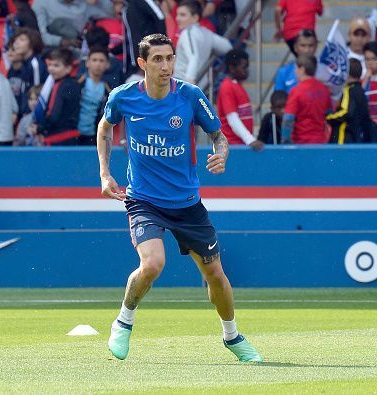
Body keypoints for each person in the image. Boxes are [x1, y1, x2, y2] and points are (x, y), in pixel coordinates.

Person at [97, 33, 262, 363]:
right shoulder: (124, 97)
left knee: (215, 274)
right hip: (144, 200)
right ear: (142, 63)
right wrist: (104, 173)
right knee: (153, 263)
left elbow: (219, 136)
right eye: (157, 59)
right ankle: (123, 322)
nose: (166, 66)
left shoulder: (190, 96)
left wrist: (222, 154)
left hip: (187, 203)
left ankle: (232, 336)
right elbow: (104, 129)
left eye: (169, 58)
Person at [173, 0, 231, 84]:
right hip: (201, 83)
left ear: (195, 17)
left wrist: (188, 82)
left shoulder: (187, 32)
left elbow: (194, 57)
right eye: (177, 14)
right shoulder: (206, 33)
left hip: (184, 83)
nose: (177, 18)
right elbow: (227, 47)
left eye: (182, 15)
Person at [216, 49, 263, 150]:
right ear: (232, 68)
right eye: (244, 67)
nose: (247, 70)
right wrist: (250, 140)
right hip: (231, 145)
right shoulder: (227, 87)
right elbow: (232, 118)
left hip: (240, 144)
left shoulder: (237, 86)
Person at [281, 54, 331, 144]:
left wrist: (285, 140)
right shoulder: (324, 89)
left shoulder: (296, 91)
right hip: (321, 141)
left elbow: (288, 118)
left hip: (301, 141)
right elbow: (328, 113)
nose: (295, 71)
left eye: (296, 68)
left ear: (302, 69)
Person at [36, 48, 81, 145]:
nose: (51, 68)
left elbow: (54, 115)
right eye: (50, 65)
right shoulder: (74, 83)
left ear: (68, 68)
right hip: (73, 137)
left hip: (59, 138)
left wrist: (39, 128)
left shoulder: (60, 85)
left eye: (56, 65)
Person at [326, 58, 376, 143]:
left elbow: (346, 111)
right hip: (355, 138)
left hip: (343, 138)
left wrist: (328, 117)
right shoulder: (360, 91)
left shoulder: (348, 91)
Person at [32, 0, 113, 48]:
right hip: (54, 50)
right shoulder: (41, 3)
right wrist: (62, 41)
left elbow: (112, 13)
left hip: (81, 47)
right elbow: (40, 34)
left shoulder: (84, 3)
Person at [78, 47, 111, 145]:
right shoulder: (78, 83)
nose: (98, 64)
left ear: (107, 65)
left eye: (101, 61)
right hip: (75, 134)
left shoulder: (108, 89)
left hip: (94, 136)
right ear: (87, 62)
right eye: (94, 60)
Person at [274, 29, 317, 94]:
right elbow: (278, 99)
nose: (307, 50)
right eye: (303, 45)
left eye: (310, 46)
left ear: (316, 46)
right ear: (295, 47)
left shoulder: (323, 70)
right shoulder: (284, 72)